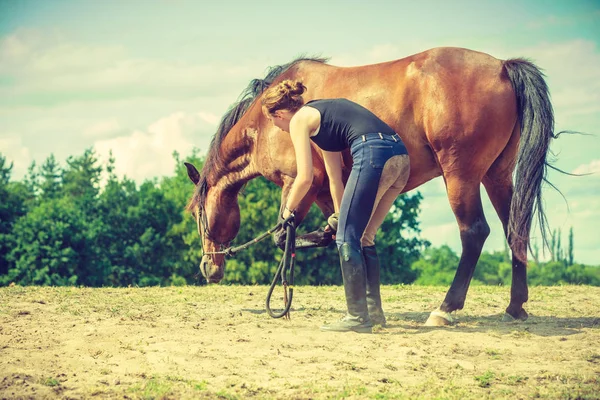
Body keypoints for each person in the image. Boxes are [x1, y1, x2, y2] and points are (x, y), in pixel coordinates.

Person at [262, 80, 410, 333]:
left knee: (346, 238)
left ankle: (356, 317)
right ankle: (373, 314)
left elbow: (305, 178)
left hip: (373, 154)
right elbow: (335, 178)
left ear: (279, 114)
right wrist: (340, 216)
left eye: (275, 123)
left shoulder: (298, 120)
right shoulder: (322, 119)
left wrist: (288, 212)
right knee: (363, 237)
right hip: (400, 158)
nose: (280, 129)